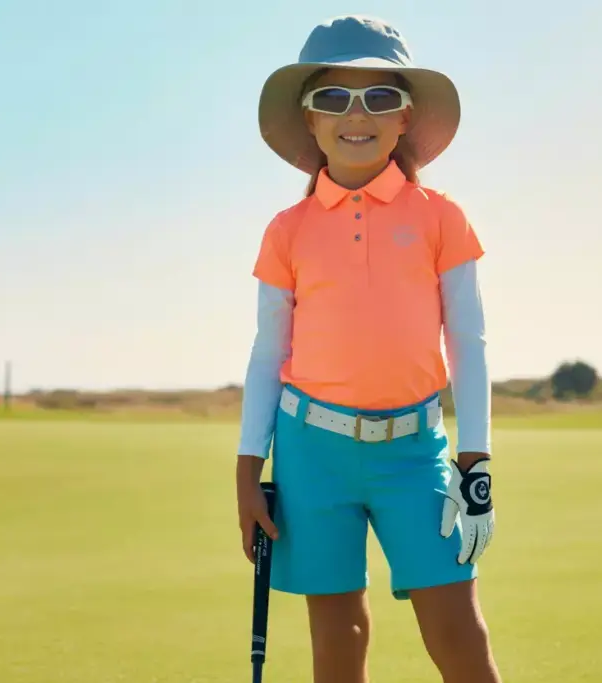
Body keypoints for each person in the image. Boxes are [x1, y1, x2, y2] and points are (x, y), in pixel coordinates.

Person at [236, 15, 502, 683]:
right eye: (333, 98)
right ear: (310, 119)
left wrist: (475, 459)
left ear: (405, 116)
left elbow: (467, 340)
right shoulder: (287, 229)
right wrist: (247, 469)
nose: (357, 114)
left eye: (380, 97)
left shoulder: (440, 215)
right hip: (309, 453)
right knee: (338, 635)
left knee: (458, 631)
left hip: (415, 453)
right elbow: (268, 354)